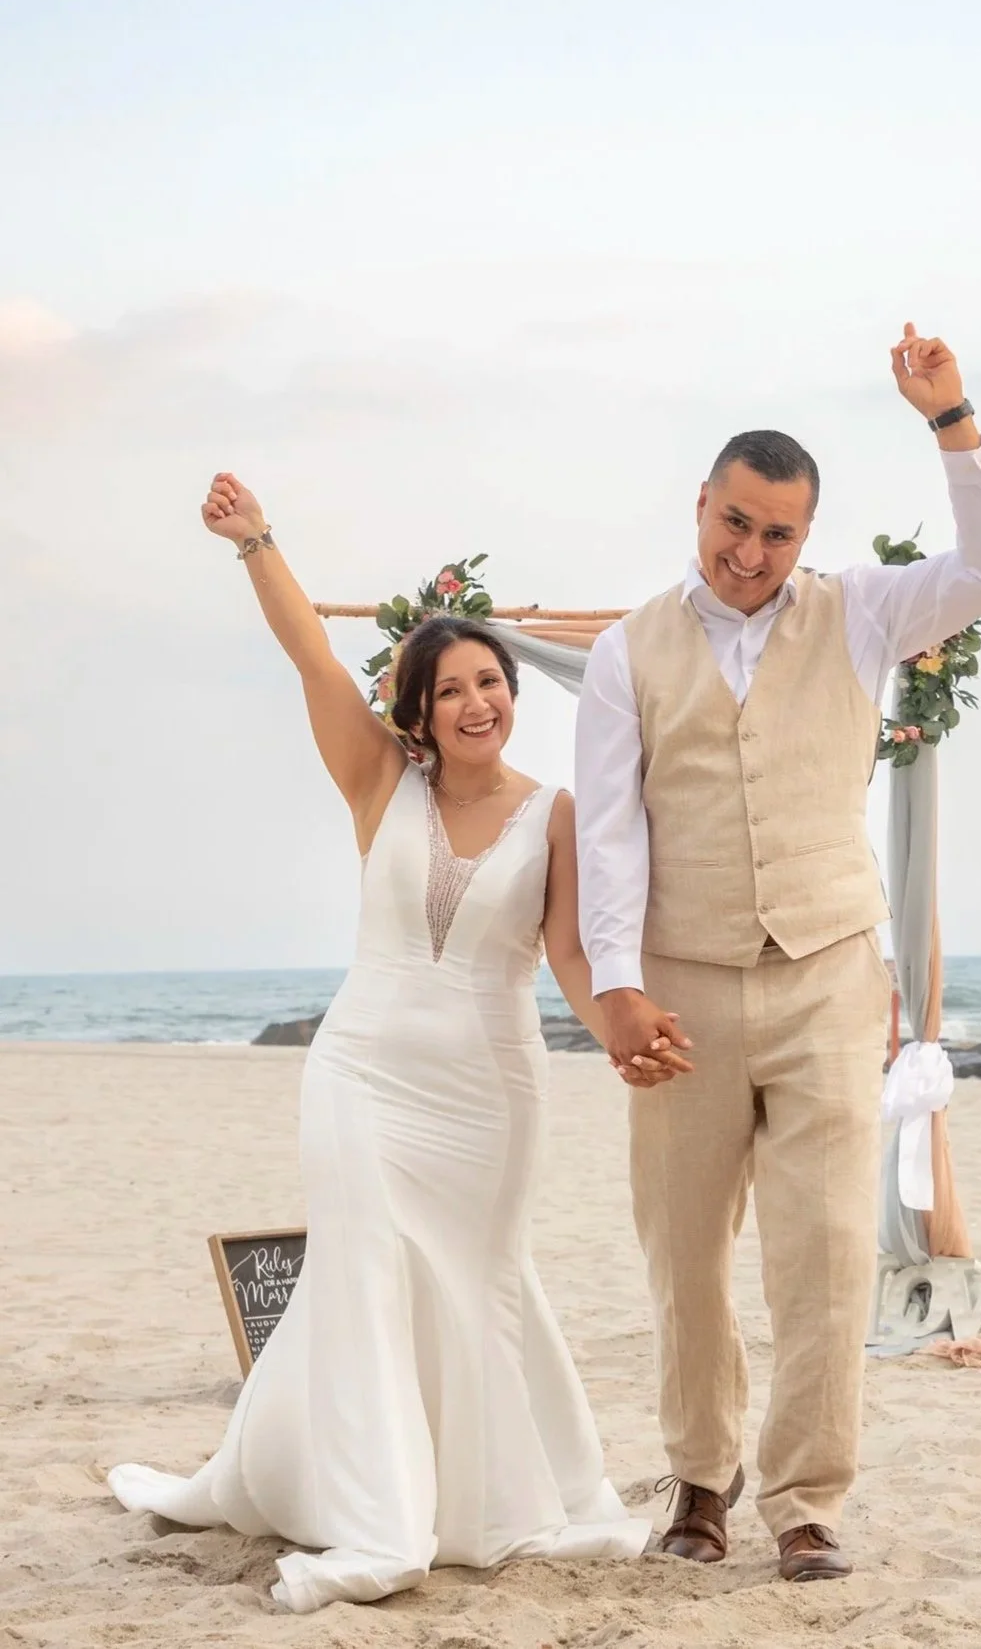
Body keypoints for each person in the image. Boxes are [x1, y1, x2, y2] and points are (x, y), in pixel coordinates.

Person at [108, 474, 673, 1612]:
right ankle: (381, 1529)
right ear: (414, 710)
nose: (475, 702)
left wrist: (623, 1022)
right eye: (450, 688)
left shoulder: (551, 812)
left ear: (512, 694)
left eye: (489, 683)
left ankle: (469, 1500)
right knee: (360, 1274)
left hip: (490, 1091)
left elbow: (566, 954)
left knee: (475, 1282)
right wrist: (258, 540)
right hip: (360, 1073)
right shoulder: (378, 778)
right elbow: (311, 657)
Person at [573, 324, 981, 1581]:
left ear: (804, 536)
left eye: (776, 533)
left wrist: (951, 421)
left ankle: (808, 1501)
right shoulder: (624, 652)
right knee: (682, 1253)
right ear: (702, 504)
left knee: (826, 1251)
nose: (749, 551)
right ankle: (699, 1483)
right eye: (734, 521)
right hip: (681, 987)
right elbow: (610, 836)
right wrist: (615, 987)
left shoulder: (864, 614)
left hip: (830, 973)